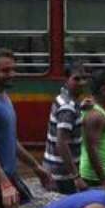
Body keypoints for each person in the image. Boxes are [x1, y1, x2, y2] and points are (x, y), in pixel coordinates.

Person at [0, 48, 54, 208]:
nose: (11, 74)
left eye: (13, 69)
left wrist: (36, 167)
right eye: (5, 71)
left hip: (7, 175)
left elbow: (10, 141)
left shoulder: (2, 95)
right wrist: (5, 184)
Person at [42, 61, 90, 195]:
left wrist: (80, 107)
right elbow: (61, 143)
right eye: (76, 79)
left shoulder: (63, 99)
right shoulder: (68, 107)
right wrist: (76, 177)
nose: (81, 82)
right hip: (61, 176)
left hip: (53, 171)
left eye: (84, 78)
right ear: (66, 80)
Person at [80, 67, 105, 189]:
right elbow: (91, 149)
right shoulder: (95, 115)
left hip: (101, 176)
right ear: (103, 90)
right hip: (95, 179)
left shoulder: (95, 110)